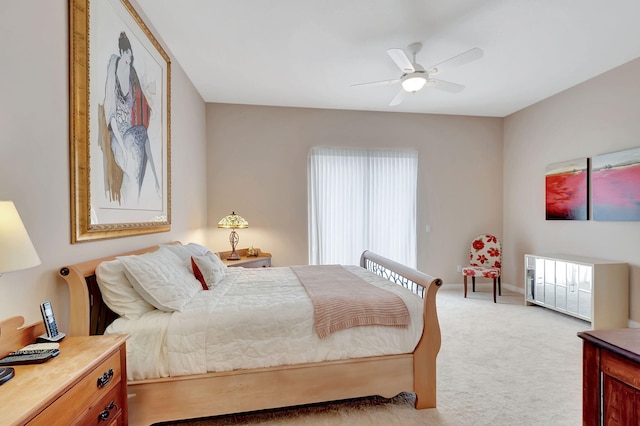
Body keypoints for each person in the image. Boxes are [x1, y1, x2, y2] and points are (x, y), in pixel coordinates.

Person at [99, 31, 160, 205]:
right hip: (117, 135)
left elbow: (141, 103)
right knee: (132, 165)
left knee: (144, 137)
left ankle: (151, 185)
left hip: (130, 133)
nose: (129, 60)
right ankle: (134, 198)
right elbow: (111, 118)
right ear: (121, 53)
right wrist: (124, 150)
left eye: (131, 57)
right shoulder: (113, 75)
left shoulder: (131, 74)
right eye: (127, 56)